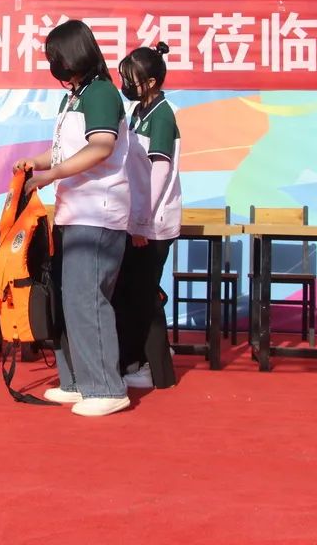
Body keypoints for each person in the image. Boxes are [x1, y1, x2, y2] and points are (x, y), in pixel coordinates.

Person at [14, 20, 131, 417]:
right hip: (73, 212)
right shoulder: (75, 96)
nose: (54, 64)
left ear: (73, 54)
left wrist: (52, 174)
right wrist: (37, 162)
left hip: (97, 214)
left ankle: (107, 388)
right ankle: (77, 381)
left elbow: (101, 147)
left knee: (87, 300)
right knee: (67, 300)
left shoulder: (101, 93)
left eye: (56, 57)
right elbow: (64, 151)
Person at [113, 42, 181, 390]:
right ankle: (140, 360)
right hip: (135, 219)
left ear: (151, 82)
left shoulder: (163, 115)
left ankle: (155, 368)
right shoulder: (139, 111)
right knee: (133, 293)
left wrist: (142, 221)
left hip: (153, 223)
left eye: (132, 79)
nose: (126, 85)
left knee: (144, 296)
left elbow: (160, 173)